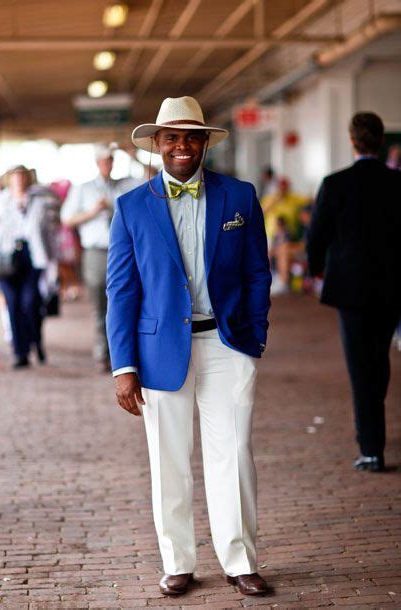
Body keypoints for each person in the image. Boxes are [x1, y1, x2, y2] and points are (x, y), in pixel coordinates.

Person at [106, 96, 272, 596]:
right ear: (157, 145)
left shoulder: (239, 197)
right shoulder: (131, 207)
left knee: (234, 454)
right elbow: (121, 290)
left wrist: (254, 334)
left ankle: (240, 561)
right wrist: (123, 365)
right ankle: (177, 562)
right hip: (159, 352)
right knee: (169, 460)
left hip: (226, 343)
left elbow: (257, 272)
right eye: (172, 137)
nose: (182, 146)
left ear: (204, 142)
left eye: (191, 136)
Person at [306, 112, 401, 473]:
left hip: (350, 289)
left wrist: (316, 270)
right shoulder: (397, 184)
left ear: (352, 140)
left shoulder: (335, 183)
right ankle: (374, 425)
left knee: (360, 367)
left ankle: (372, 449)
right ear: (379, 141)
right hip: (391, 287)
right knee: (379, 361)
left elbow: (317, 235)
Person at [61, 144, 140, 371]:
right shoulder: (83, 189)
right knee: (100, 305)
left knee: (126, 301)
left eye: (111, 160)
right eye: (104, 160)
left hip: (125, 253)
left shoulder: (126, 184)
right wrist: (92, 212)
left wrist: (134, 157)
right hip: (96, 252)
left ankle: (125, 355)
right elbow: (66, 219)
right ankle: (102, 353)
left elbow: (154, 178)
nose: (107, 164)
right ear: (97, 163)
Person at [0, 165, 58, 368]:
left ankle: (36, 341)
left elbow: (56, 212)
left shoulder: (40, 200)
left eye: (23, 176)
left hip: (32, 255)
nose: (19, 180)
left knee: (30, 302)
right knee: (12, 303)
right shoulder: (0, 201)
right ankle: (19, 352)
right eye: (15, 177)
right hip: (6, 257)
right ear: (9, 179)